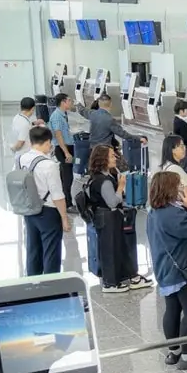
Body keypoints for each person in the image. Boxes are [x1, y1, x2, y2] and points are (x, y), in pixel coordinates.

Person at [147, 171, 187, 370]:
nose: (182, 187)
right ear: (169, 188)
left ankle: (174, 352)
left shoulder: (155, 211)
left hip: (165, 268)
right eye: (178, 185)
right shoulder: (172, 214)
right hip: (182, 270)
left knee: (172, 309)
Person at [86, 145, 153, 293]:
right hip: (108, 217)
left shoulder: (99, 176)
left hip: (104, 217)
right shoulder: (104, 181)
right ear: (103, 159)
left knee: (117, 247)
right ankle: (110, 283)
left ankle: (128, 276)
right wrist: (121, 187)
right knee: (110, 249)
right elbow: (112, 202)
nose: (114, 158)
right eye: (111, 156)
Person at [19, 127, 71, 276]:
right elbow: (57, 195)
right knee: (51, 251)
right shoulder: (49, 165)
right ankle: (51, 284)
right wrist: (64, 218)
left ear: (31, 141)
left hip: (29, 209)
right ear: (48, 142)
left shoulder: (21, 159)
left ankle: (32, 281)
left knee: (33, 249)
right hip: (48, 211)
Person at [81, 93, 147, 149]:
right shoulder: (110, 119)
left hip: (93, 148)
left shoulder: (92, 113)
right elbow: (123, 134)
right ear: (111, 104)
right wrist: (138, 138)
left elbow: (82, 111)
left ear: (99, 103)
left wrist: (78, 104)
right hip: (105, 150)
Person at [48, 93, 75, 210]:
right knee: (67, 177)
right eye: (69, 100)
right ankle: (67, 204)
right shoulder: (57, 117)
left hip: (67, 147)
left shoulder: (63, 115)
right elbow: (58, 135)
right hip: (63, 149)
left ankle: (65, 201)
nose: (71, 102)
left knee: (67, 174)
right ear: (63, 102)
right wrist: (66, 153)